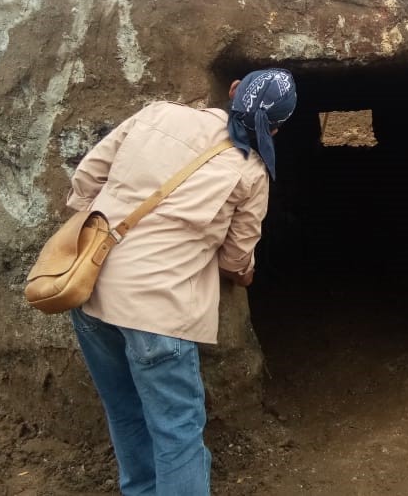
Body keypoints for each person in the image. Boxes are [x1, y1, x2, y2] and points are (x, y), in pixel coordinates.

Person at [65, 68, 297, 495]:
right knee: (178, 431)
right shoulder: (252, 172)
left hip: (90, 288)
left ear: (232, 91)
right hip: (160, 310)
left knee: (124, 412)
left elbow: (85, 183)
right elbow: (234, 260)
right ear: (277, 128)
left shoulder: (155, 115)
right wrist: (244, 274)